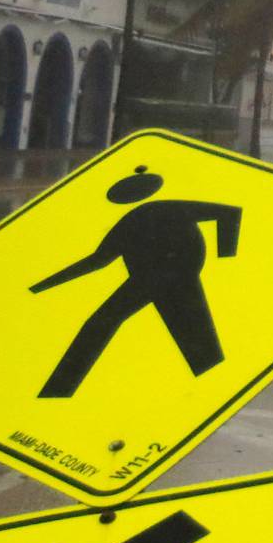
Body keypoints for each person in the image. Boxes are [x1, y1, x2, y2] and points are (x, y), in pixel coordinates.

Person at [30, 166, 243, 397]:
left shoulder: (164, 209)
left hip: (175, 276)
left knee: (193, 336)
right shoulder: (134, 219)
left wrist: (226, 260)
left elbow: (229, 213)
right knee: (105, 323)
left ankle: (57, 391)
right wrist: (44, 285)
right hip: (149, 279)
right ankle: (56, 392)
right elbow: (98, 260)